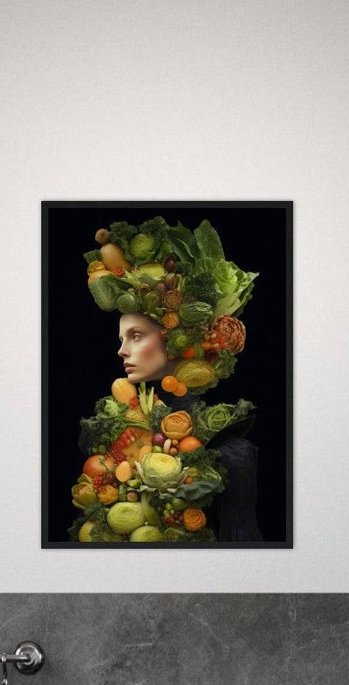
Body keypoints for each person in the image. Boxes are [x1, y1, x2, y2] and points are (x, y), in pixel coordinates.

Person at [68, 216, 258, 544]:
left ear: (174, 340)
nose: (122, 351)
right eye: (122, 338)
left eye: (136, 336)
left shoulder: (229, 451)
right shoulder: (101, 430)